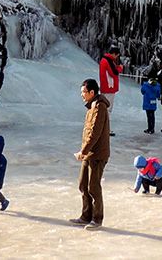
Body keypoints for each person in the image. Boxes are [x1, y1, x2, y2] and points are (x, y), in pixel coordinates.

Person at [70, 78, 110, 229]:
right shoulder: (91, 106)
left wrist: (83, 151)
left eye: (84, 92)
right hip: (89, 153)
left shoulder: (100, 107)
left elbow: (95, 133)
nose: (82, 95)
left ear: (92, 92)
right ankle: (86, 215)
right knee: (83, 184)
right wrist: (84, 151)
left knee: (93, 186)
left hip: (98, 154)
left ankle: (97, 219)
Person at [99, 46, 123, 136]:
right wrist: (120, 68)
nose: (116, 57)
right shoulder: (108, 60)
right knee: (108, 109)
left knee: (104, 108)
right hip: (109, 87)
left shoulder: (105, 60)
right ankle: (106, 129)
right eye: (117, 55)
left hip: (106, 87)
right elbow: (114, 72)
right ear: (114, 54)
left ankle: (103, 129)